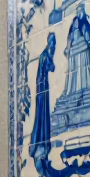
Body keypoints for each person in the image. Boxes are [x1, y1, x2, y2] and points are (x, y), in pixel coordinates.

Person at [29, 32, 56, 163]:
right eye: (53, 43)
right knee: (42, 115)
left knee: (42, 115)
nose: (54, 46)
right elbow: (52, 67)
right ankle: (41, 144)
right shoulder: (45, 55)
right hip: (42, 87)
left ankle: (40, 144)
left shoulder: (43, 55)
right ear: (50, 43)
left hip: (41, 87)